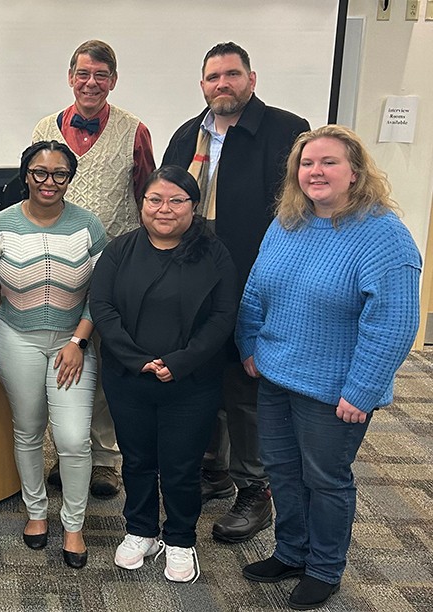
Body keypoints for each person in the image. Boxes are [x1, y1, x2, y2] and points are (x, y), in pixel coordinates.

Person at [236, 125, 420, 610]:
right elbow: (256, 291)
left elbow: (394, 324)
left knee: (325, 479)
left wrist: (363, 389)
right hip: (277, 375)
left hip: (335, 389)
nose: (315, 172)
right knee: (282, 471)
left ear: (355, 172)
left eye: (329, 162)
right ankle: (292, 552)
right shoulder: (288, 222)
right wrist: (249, 344)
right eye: (307, 163)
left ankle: (323, 568)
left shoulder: (384, 236)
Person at [162, 41, 310, 543]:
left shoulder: (288, 131)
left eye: (231, 75)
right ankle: (213, 471)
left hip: (255, 279)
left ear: (252, 79)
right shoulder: (187, 134)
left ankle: (255, 490)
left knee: (246, 387)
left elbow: (301, 212)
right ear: (202, 84)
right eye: (212, 77)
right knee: (200, 377)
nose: (221, 84)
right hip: (194, 279)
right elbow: (167, 202)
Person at [90, 166, 238, 583]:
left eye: (176, 200)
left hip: (192, 380)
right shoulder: (120, 250)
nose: (164, 209)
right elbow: (102, 308)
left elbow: (225, 315)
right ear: (142, 205)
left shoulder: (214, 253)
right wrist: (138, 360)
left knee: (181, 464)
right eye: (155, 200)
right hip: (129, 376)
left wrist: (180, 362)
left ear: (193, 207)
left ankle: (180, 538)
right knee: (136, 460)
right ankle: (140, 531)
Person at [31, 40, 156, 498]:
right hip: (52, 269)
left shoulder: (134, 130)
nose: (91, 83)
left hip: (114, 269)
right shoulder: (45, 127)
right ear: (70, 77)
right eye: (83, 73)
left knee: (103, 362)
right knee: (58, 358)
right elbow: (35, 190)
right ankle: (66, 452)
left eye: (100, 75)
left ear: (113, 81)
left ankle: (105, 459)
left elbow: (149, 200)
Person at [0, 141, 107, 568]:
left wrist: (78, 342)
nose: (49, 182)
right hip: (16, 340)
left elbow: (101, 295)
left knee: (71, 438)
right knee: (28, 429)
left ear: (70, 177)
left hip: (73, 344)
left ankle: (73, 524)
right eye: (40, 172)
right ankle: (36, 513)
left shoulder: (89, 226)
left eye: (59, 174)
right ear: (25, 175)